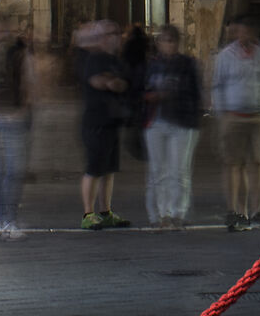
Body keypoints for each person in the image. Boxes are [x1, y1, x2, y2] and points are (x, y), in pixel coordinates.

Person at [211, 16, 260, 230]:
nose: (243, 35)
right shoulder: (226, 56)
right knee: (235, 164)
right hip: (235, 116)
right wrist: (222, 112)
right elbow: (218, 85)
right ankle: (237, 210)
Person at [143, 24, 202, 228]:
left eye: (171, 40)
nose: (167, 44)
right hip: (156, 121)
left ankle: (178, 212)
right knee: (158, 170)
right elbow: (141, 89)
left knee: (179, 170)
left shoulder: (187, 65)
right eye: (164, 40)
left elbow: (193, 94)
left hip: (182, 122)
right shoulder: (151, 65)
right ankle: (159, 214)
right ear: (158, 43)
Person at [75, 18, 131, 231]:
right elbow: (100, 81)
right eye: (110, 34)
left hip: (111, 121)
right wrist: (112, 82)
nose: (115, 38)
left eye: (116, 34)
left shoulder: (113, 60)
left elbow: (123, 82)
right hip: (95, 121)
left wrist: (115, 82)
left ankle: (105, 211)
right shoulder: (95, 59)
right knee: (94, 168)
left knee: (108, 169)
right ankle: (88, 213)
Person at [0, 27, 31, 236]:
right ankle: (9, 221)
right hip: (12, 115)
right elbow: (29, 85)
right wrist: (24, 107)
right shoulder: (20, 55)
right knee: (13, 171)